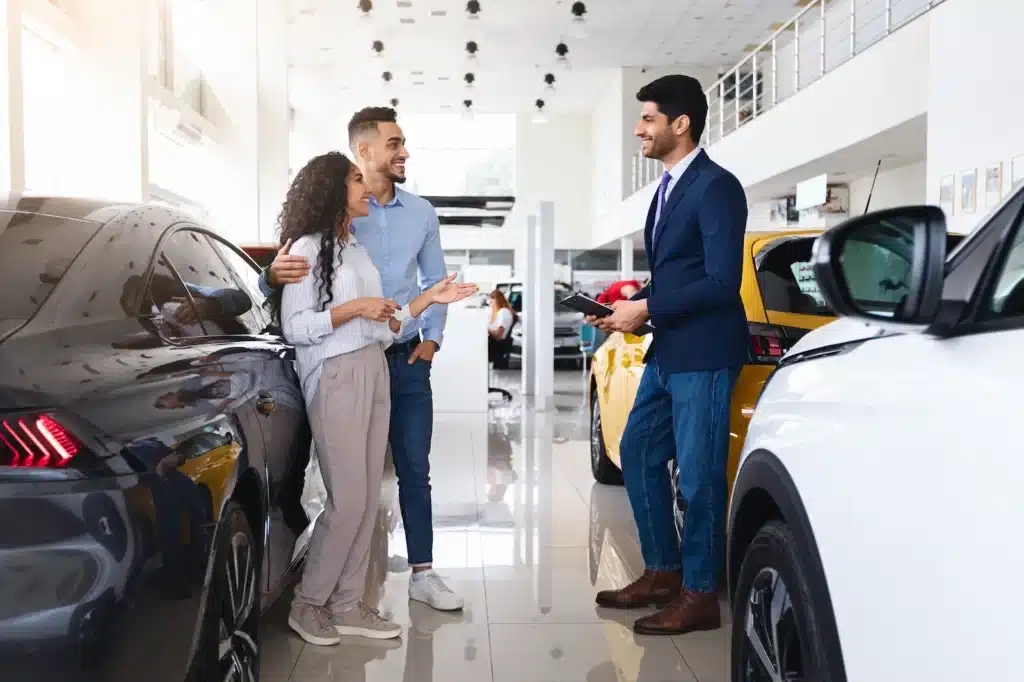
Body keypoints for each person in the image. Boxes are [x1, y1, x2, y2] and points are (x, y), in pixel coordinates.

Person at [258, 106, 465, 611]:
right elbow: (289, 292)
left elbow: (426, 286)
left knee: (408, 471)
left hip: (400, 353)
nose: (405, 153)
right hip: (341, 365)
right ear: (364, 151)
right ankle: (324, 595)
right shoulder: (329, 227)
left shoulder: (413, 217)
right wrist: (268, 277)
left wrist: (429, 338)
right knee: (349, 490)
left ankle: (419, 572)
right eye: (395, 143)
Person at [589, 74, 748, 636]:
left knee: (700, 477)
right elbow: (675, 271)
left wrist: (649, 307)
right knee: (636, 451)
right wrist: (630, 305)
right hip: (670, 348)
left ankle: (700, 593)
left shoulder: (717, 186)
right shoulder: (667, 187)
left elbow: (721, 282)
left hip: (704, 351)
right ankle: (663, 570)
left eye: (649, 119)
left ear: (681, 124)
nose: (639, 129)